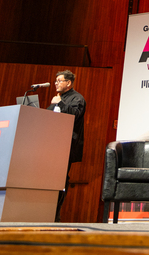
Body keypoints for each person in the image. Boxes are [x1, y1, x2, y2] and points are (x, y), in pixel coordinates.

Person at [47, 70, 85, 222]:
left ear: (68, 83)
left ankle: (55, 215)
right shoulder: (58, 98)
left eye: (59, 80)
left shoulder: (77, 98)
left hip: (66, 145)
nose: (56, 83)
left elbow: (75, 115)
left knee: (60, 179)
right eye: (55, 81)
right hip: (51, 145)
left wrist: (59, 103)